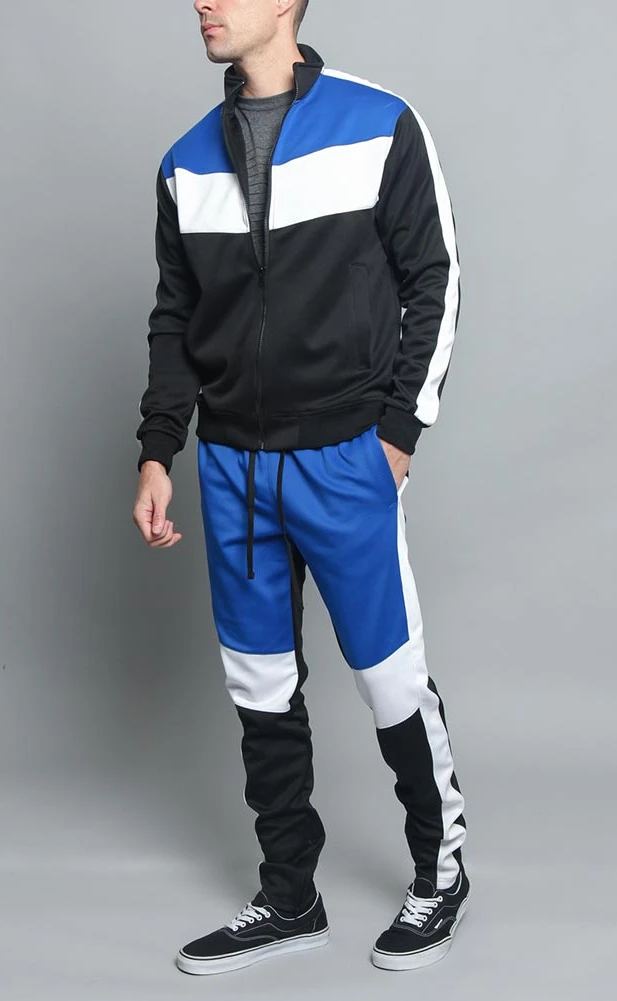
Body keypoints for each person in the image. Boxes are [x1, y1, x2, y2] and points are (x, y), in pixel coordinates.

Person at [132, 0, 469, 976]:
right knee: (258, 683)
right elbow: (175, 317)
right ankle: (289, 894)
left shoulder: (379, 124)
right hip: (231, 468)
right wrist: (158, 449)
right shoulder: (184, 162)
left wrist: (397, 435)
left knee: (389, 675)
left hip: (343, 458)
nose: (203, 2)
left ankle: (439, 872)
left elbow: (435, 275)